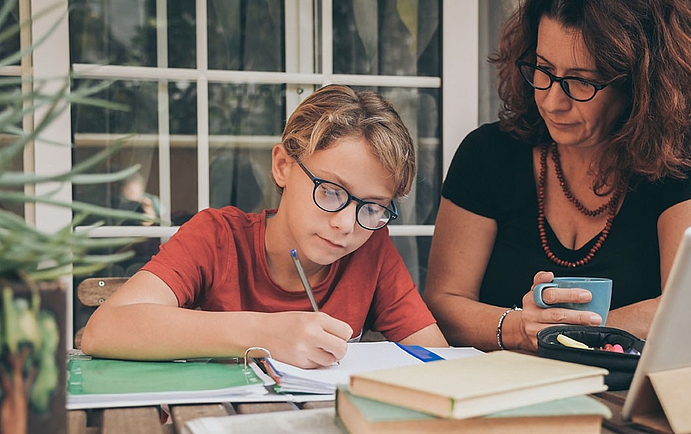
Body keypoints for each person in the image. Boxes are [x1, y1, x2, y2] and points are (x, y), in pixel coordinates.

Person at [424, 0, 691, 353]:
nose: (553, 100)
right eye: (543, 69)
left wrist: (559, 333)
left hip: (626, 394)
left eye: (581, 81)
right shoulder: (487, 153)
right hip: (501, 392)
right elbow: (443, 304)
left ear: (641, 86)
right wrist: (519, 327)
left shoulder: (682, 157)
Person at [82, 84, 448, 367]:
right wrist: (264, 333)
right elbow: (105, 329)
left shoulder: (371, 248)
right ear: (283, 166)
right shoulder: (216, 237)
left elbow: (438, 359)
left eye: (372, 207)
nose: (345, 224)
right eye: (332, 191)